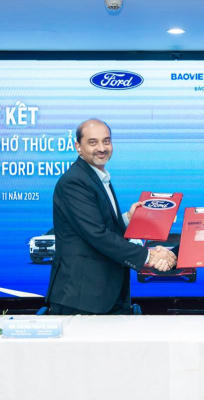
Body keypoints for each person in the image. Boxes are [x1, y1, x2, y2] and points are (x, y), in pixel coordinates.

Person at [46, 118, 175, 315]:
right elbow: (97, 234)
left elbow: (101, 225)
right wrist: (149, 256)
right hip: (82, 297)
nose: (101, 148)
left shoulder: (98, 176)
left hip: (104, 294)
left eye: (106, 141)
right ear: (78, 147)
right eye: (93, 142)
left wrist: (128, 218)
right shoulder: (75, 182)